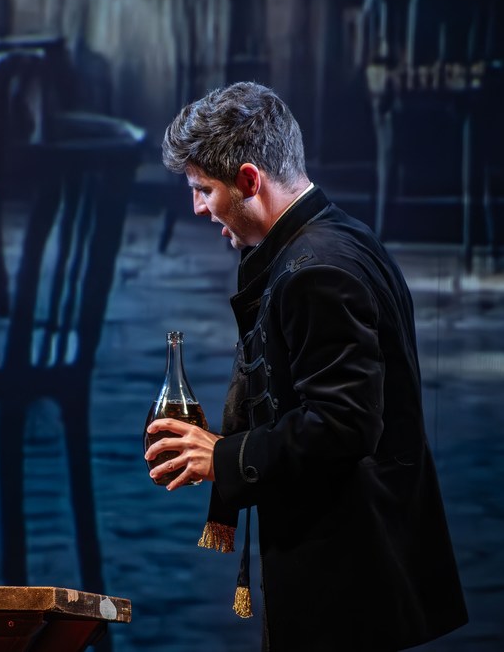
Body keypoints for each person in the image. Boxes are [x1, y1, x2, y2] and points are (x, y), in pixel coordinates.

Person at [146, 82, 467, 650]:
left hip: (345, 576)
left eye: (203, 189)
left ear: (249, 180)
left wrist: (222, 457)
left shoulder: (317, 269)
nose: (198, 208)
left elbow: (343, 423)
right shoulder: (340, 237)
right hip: (348, 563)